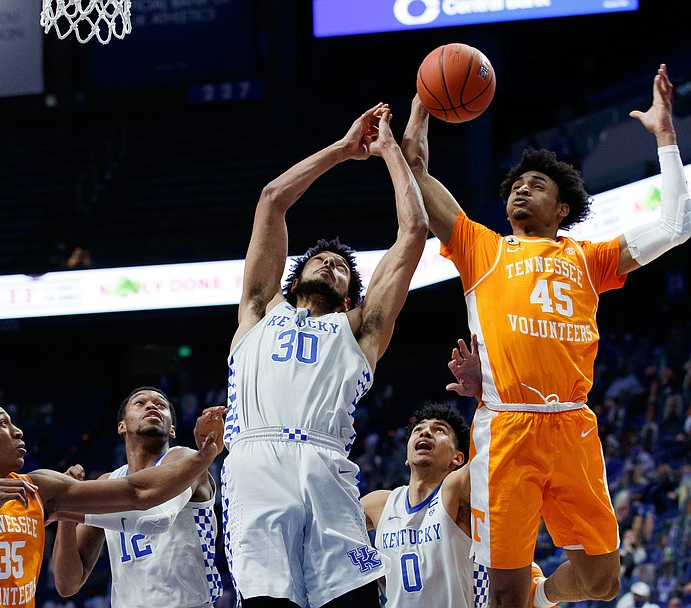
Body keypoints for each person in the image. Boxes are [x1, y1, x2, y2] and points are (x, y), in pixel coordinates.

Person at [402, 63, 689, 608]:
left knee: (603, 582)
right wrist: (422, 102)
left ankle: (541, 596)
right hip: (505, 431)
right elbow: (417, 169)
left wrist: (666, 136)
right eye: (514, 185)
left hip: (571, 429)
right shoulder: (483, 249)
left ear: (562, 209)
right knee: (502, 593)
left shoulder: (588, 257)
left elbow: (678, 224)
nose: (520, 190)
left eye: (536, 185)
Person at [222, 102, 428, 607]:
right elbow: (272, 200)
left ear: (350, 297)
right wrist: (342, 149)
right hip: (256, 460)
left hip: (325, 461)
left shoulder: (359, 330)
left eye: (341, 267)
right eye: (323, 259)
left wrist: (389, 153)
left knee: (354, 600)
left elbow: (414, 232)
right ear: (295, 279)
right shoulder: (258, 311)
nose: (333, 263)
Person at [0, 372, 223, 607]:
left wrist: (205, 454)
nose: (18, 431)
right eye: (4, 424)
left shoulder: (40, 487)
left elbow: (142, 498)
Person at [50, 387, 224, 607]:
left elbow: (158, 517)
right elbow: (67, 584)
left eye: (161, 405)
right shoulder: (108, 482)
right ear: (122, 426)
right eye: (140, 403)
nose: (152, 406)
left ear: (172, 430)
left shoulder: (186, 459)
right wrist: (67, 515)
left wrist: (64, 505)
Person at [361, 402, 489, 608]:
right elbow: (329, 525)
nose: (426, 432)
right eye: (418, 430)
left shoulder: (456, 492)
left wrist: (485, 396)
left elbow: (489, 452)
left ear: (458, 458)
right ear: (406, 455)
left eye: (439, 430)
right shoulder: (380, 503)